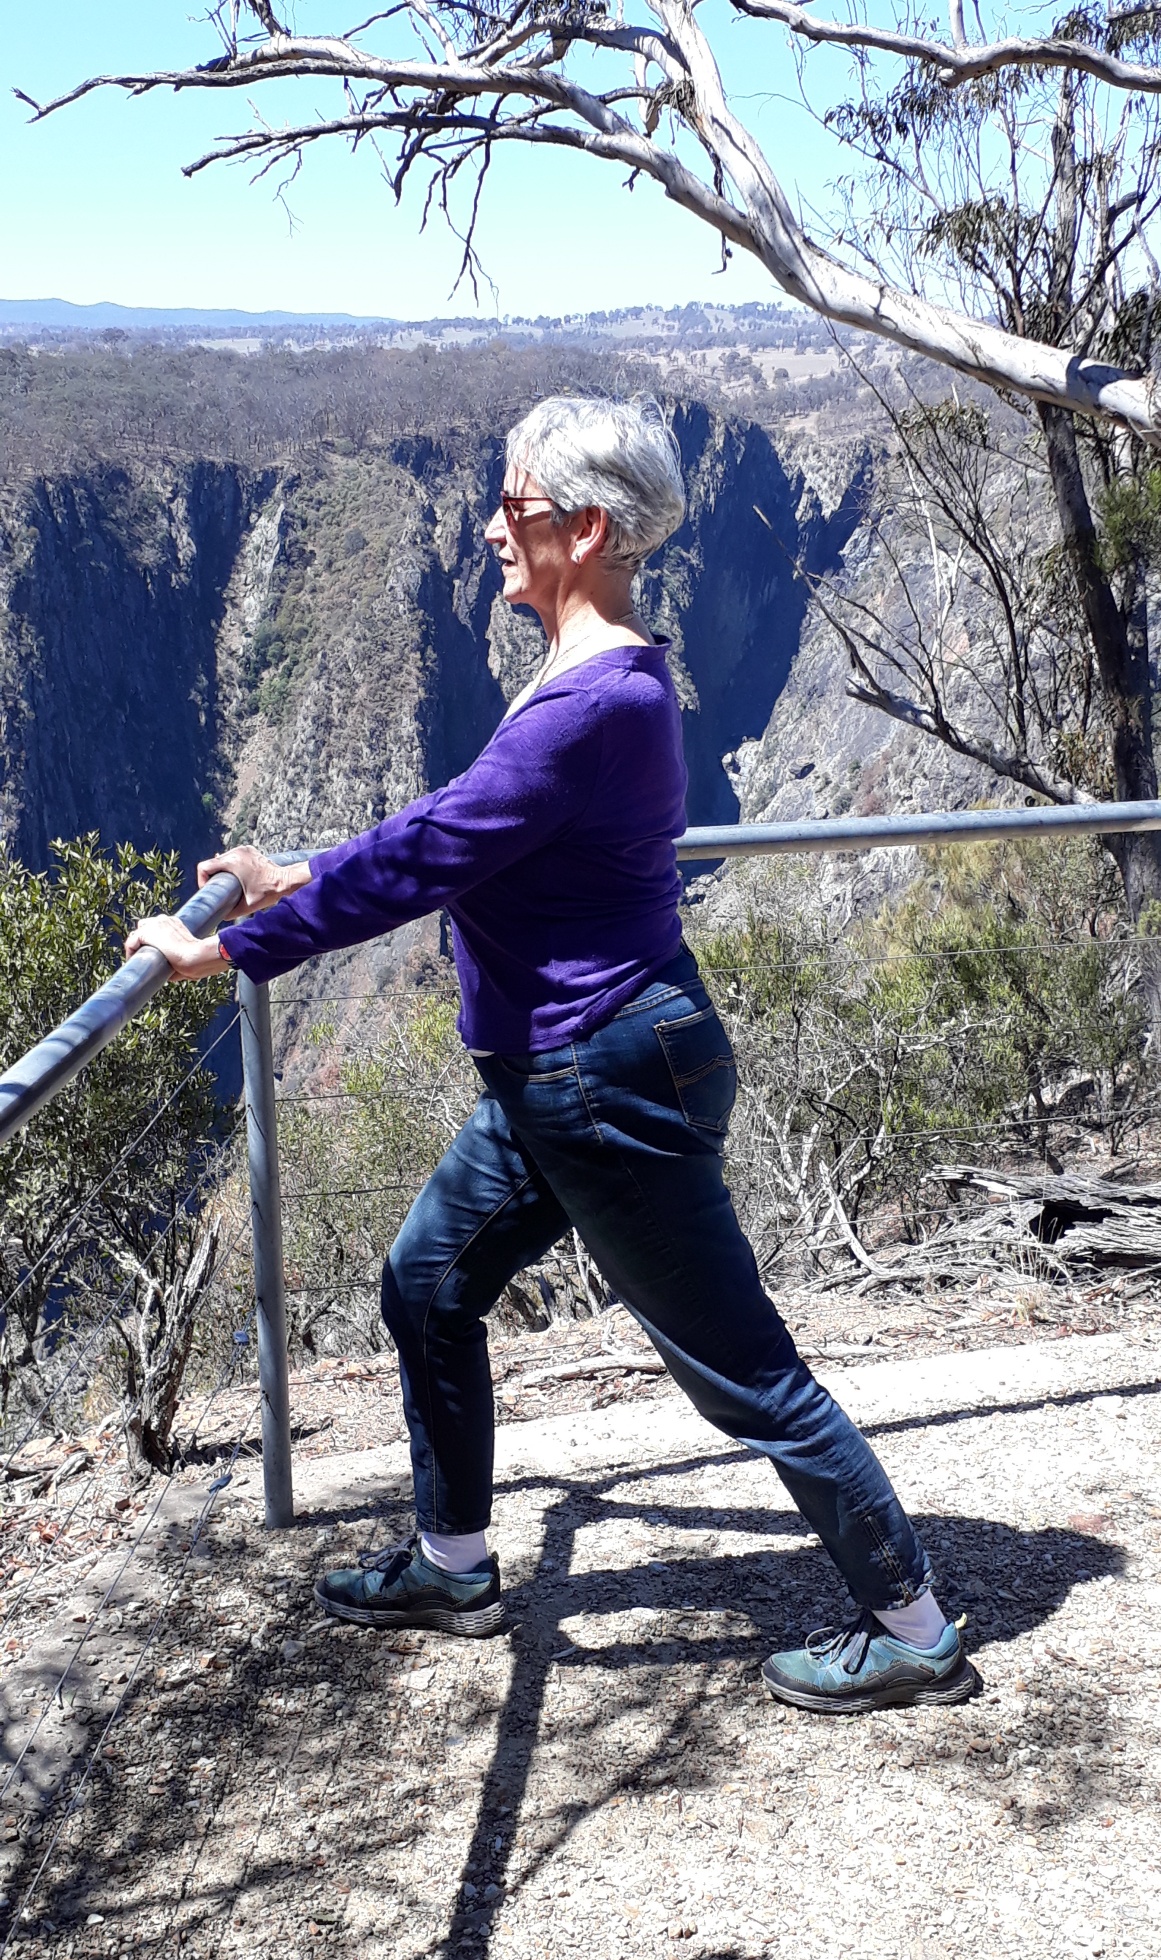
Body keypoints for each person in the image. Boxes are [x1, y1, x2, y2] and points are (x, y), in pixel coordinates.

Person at [127, 394, 976, 1714]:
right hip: (570, 1068)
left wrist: (230, 948)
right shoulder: (602, 681)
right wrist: (296, 873)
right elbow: (463, 820)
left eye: (513, 506)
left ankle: (912, 1625)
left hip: (600, 1077)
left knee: (742, 1370)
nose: (489, 529)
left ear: (583, 530)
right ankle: (452, 1565)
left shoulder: (591, 703)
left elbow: (433, 852)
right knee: (426, 1283)